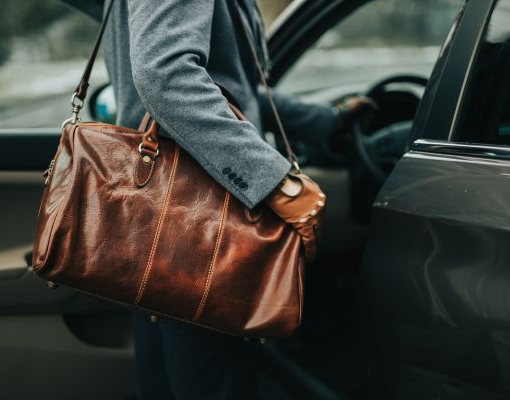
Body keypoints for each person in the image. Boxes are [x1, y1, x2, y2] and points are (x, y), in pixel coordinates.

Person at [102, 0, 373, 398]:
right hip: (203, 227)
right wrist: (276, 182)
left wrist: (324, 123)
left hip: (157, 220)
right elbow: (167, 76)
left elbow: (230, 86)